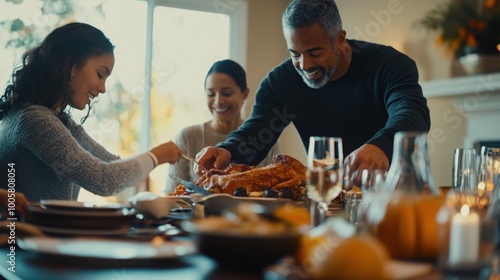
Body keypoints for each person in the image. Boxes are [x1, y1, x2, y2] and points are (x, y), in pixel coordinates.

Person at [194, 0, 430, 180]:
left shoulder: (388, 65)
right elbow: (255, 135)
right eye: (294, 54)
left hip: (393, 193)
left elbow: (412, 113)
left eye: (315, 52)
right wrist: (226, 149)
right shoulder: (280, 82)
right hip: (326, 195)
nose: (305, 66)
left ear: (340, 39)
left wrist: (381, 145)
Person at [0, 22, 182, 202]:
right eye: (100, 74)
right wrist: (157, 155)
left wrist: (150, 161)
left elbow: (112, 164)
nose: (103, 88)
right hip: (22, 232)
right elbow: (103, 180)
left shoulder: (60, 121)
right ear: (69, 64)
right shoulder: (33, 120)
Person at [165, 59, 280, 193]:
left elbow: (274, 193)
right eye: (211, 94)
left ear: (245, 94)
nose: (218, 101)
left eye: (227, 93)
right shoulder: (187, 137)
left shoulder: (264, 136)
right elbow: (170, 194)